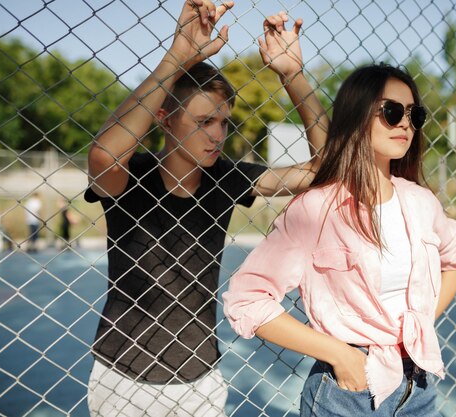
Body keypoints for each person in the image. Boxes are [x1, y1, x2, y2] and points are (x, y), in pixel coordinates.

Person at [84, 1, 328, 416]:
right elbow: (104, 155)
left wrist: (294, 77)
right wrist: (177, 57)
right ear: (165, 120)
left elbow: (325, 169)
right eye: (202, 122)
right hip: (122, 376)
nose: (217, 135)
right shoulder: (134, 173)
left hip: (202, 376)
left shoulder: (225, 176)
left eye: (223, 122)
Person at [223, 64, 456, 416]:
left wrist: (422, 322)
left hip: (420, 387)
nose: (405, 123)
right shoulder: (317, 209)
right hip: (347, 393)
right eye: (391, 111)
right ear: (356, 116)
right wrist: (337, 353)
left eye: (414, 114)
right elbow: (246, 299)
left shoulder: (421, 202)